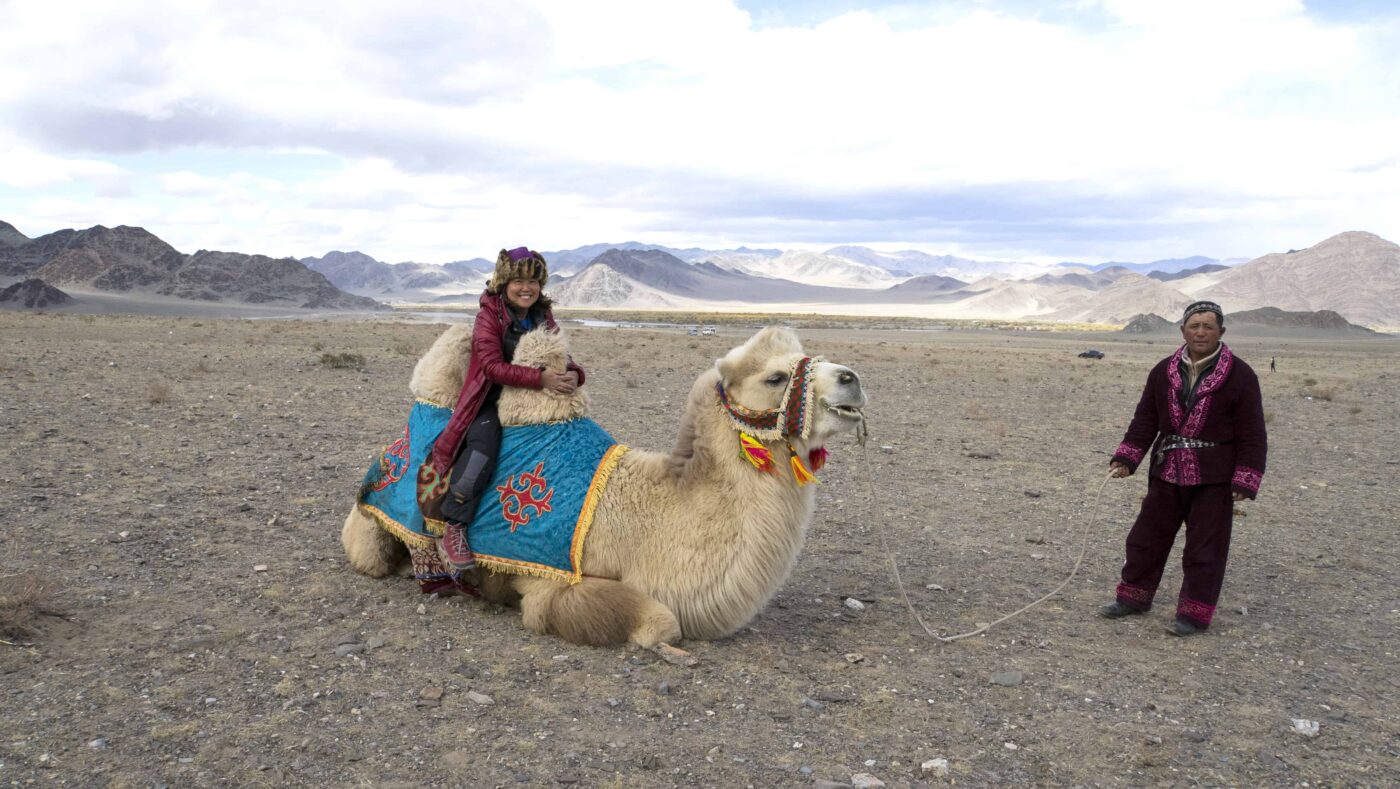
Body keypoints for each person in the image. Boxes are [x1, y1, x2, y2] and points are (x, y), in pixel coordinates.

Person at [1099, 300, 1267, 636]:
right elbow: (1146, 418)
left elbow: (1252, 431)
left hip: (1215, 477)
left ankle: (1193, 614)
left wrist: (1245, 478)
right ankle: (1133, 597)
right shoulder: (1162, 371)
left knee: (1205, 547)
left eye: (1208, 325)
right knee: (1146, 538)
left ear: (1221, 331)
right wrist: (1127, 458)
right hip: (1166, 470)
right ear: (1183, 331)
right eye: (1194, 325)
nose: (1201, 332)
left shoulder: (1241, 375)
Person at [421, 247, 583, 572]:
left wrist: (574, 374)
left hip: (532, 399)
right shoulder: (489, 316)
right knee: (482, 449)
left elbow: (562, 356)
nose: (527, 288)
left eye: (533, 281)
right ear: (504, 281)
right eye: (519, 280)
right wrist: (541, 378)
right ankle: (455, 523)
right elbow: (492, 367)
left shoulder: (542, 315)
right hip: (489, 399)